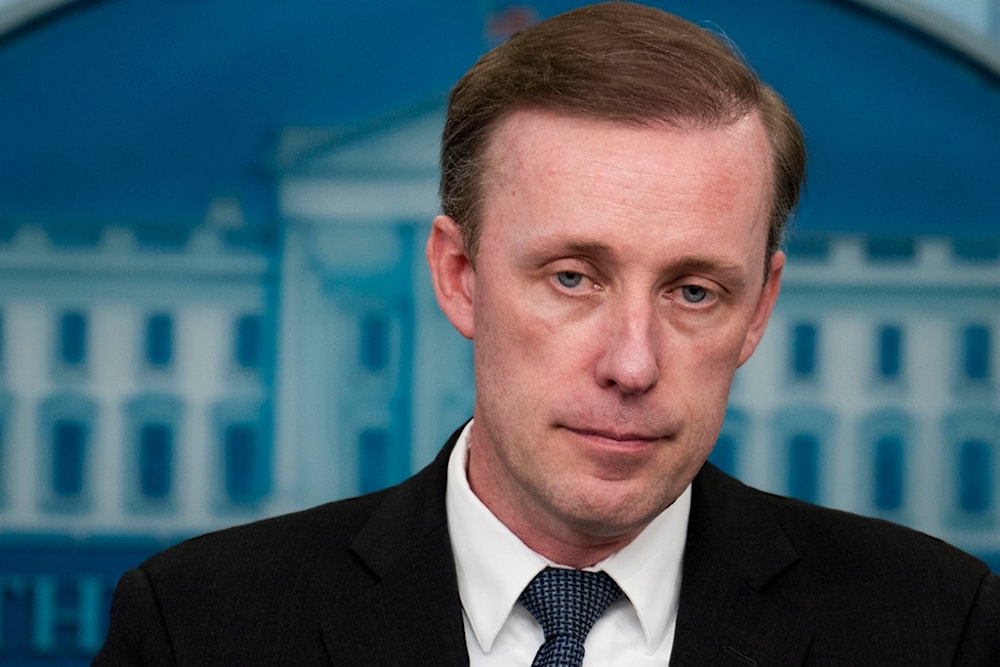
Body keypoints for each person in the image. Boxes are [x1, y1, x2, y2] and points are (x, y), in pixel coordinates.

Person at [95, 3, 999, 665]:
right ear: (460, 278)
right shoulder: (198, 628)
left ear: (758, 308)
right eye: (573, 278)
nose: (633, 363)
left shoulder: (935, 626)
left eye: (692, 290)